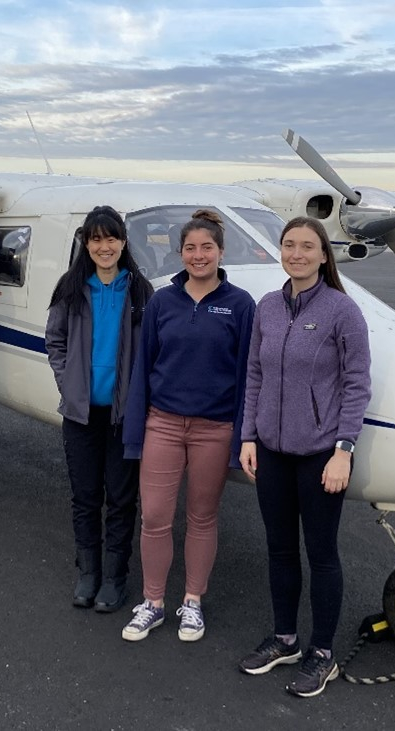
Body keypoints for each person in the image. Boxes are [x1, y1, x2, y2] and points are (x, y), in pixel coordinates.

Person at [237, 216, 371, 698]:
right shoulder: (268, 307)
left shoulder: (342, 311)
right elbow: (255, 375)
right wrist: (249, 437)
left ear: (322, 254)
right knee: (279, 549)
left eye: (306, 246)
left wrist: (344, 451)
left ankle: (322, 652)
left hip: (319, 456)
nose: (296, 253)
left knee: (322, 555)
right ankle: (286, 639)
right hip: (271, 452)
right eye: (289, 245)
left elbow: (357, 385)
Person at [120, 209, 256, 642]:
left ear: (221, 251)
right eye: (190, 248)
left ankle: (192, 602)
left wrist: (240, 438)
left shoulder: (240, 305)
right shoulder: (163, 302)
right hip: (163, 424)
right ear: (179, 253)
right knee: (155, 517)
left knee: (202, 517)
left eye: (207, 248)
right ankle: (153, 602)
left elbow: (248, 376)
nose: (198, 256)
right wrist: (136, 432)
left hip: (213, 430)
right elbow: (144, 367)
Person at [45, 205, 153, 612]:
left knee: (122, 500)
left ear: (123, 242)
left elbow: (151, 354)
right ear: (86, 244)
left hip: (123, 417)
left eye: (111, 238)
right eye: (95, 238)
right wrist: (68, 383)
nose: (103, 246)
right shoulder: (71, 289)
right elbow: (54, 340)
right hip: (81, 414)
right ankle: (88, 573)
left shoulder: (141, 293)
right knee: (85, 496)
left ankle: (115, 577)